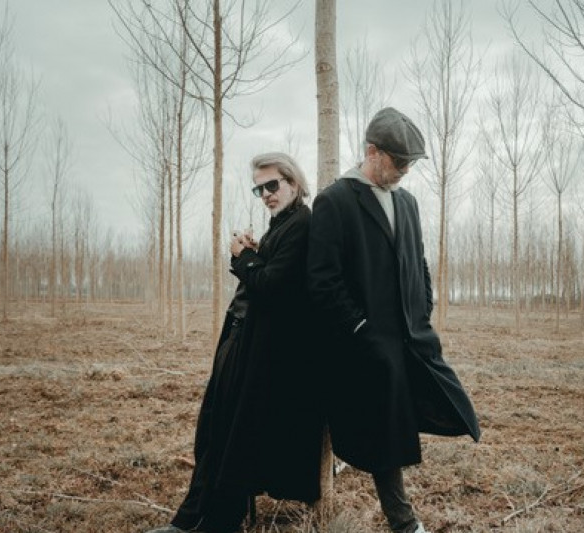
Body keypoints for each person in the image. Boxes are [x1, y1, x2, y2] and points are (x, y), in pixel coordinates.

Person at [307, 107, 481, 533]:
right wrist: (359, 328)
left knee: (432, 408)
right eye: (399, 161)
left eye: (410, 163)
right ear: (372, 152)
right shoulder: (335, 201)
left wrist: (422, 309)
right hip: (362, 345)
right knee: (383, 436)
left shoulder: (408, 202)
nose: (405, 170)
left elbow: (417, 261)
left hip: (410, 337)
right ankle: (404, 523)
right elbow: (322, 280)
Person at [147, 152, 322, 533]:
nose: (266, 194)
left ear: (294, 183)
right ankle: (200, 518)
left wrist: (242, 257)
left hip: (262, 352)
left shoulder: (301, 224)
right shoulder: (283, 224)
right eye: (259, 189)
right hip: (247, 341)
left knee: (229, 436)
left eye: (272, 185)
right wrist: (255, 252)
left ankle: (210, 522)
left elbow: (272, 285)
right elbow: (271, 274)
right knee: (217, 430)